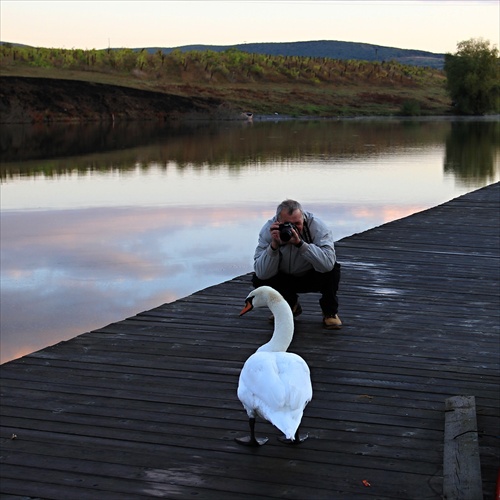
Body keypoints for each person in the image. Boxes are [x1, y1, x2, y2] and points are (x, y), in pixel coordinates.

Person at [252, 199, 342, 329]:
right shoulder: (268, 230)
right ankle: (289, 306)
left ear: (303, 218)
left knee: (333, 271)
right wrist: (274, 246)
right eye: (287, 224)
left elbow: (327, 264)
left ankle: (330, 312)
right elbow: (262, 273)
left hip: (311, 275)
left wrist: (300, 244)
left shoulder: (317, 227)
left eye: (296, 224)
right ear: (277, 221)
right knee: (258, 280)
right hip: (284, 278)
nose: (292, 229)